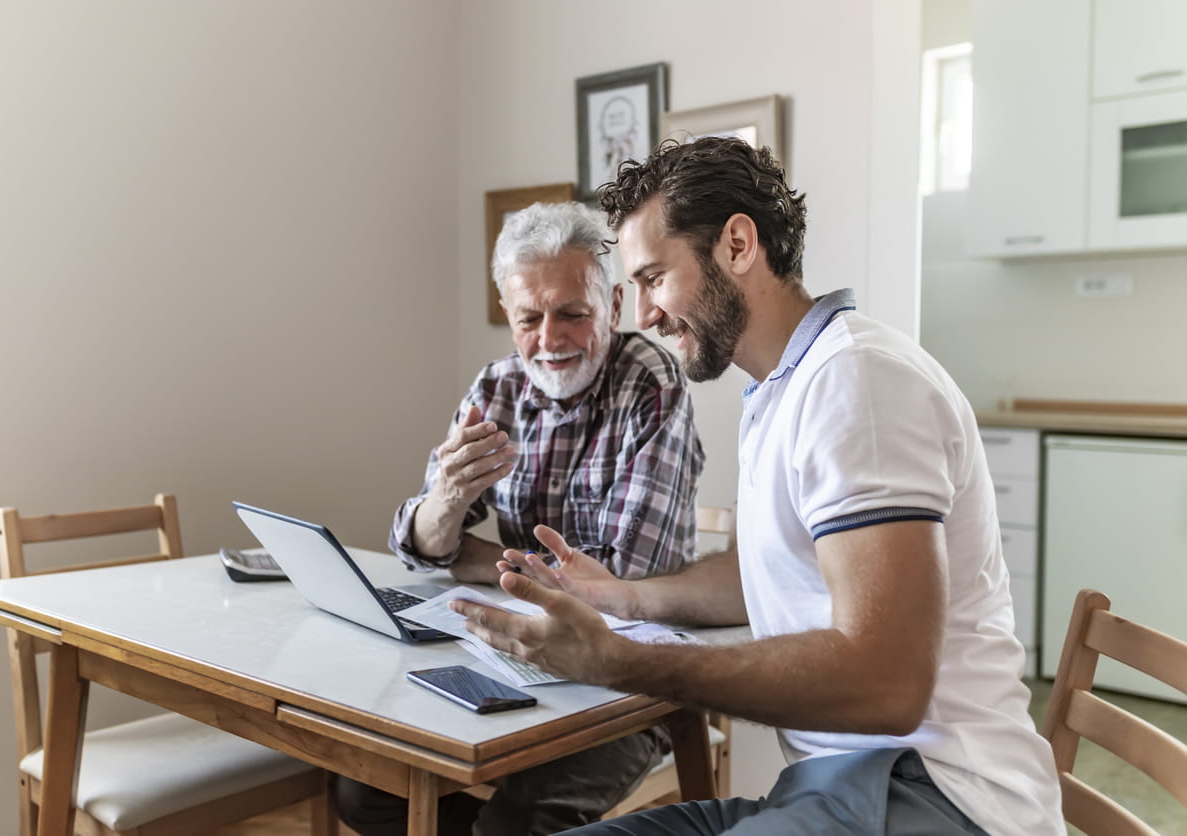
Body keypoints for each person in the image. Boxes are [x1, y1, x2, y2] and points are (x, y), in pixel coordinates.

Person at [451, 137, 1066, 836]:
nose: (644, 314)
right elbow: (758, 577)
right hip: (831, 788)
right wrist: (618, 596)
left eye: (654, 278)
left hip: (938, 795)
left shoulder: (856, 382)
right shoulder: (784, 389)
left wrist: (621, 660)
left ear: (738, 244)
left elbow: (888, 685)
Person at [337, 200, 706, 836]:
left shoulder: (652, 384)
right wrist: (446, 504)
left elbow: (617, 585)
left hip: (627, 681)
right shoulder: (497, 388)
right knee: (363, 787)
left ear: (613, 306)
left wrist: (478, 556)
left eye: (572, 314)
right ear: (507, 314)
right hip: (505, 651)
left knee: (520, 819)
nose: (550, 340)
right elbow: (419, 545)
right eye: (528, 318)